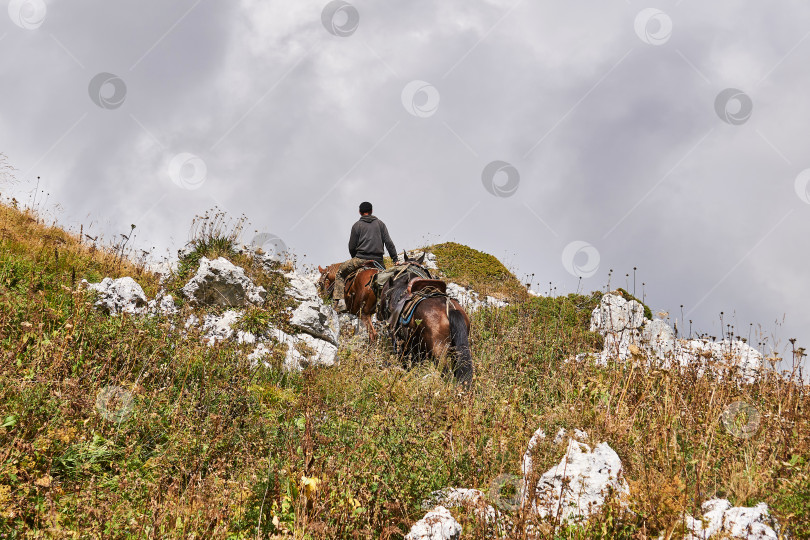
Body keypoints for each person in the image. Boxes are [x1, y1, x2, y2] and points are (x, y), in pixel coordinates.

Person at [333, 202, 398, 312]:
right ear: (372, 211)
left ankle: (340, 302)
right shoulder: (380, 224)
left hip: (361, 259)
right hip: (378, 262)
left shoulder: (357, 226)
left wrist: (355, 258)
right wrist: (395, 259)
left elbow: (352, 246)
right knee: (388, 282)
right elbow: (388, 243)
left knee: (340, 273)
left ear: (360, 212)